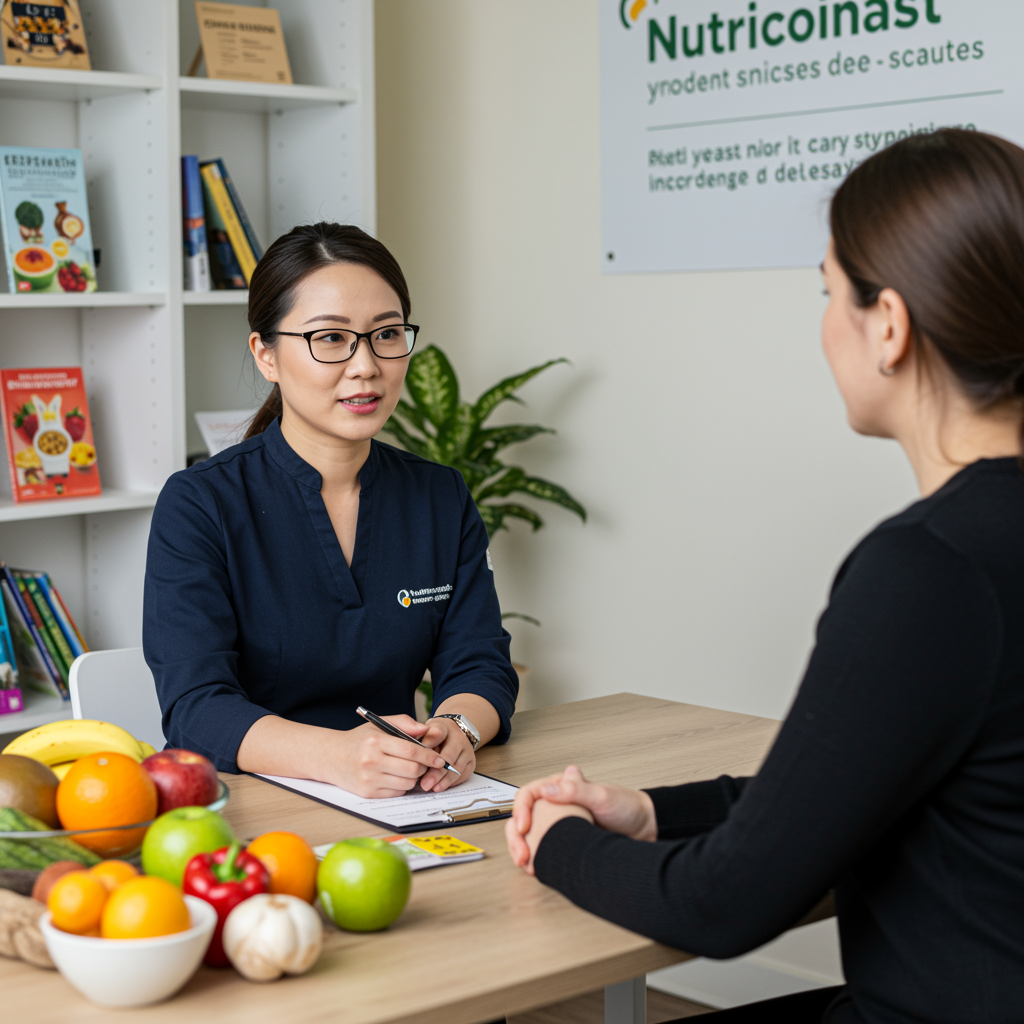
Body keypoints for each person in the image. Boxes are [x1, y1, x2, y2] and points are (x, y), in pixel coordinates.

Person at [505, 129, 1024, 1023]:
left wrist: (559, 843)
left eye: (829, 294)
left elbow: (725, 904)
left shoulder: (930, 572)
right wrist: (647, 810)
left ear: (890, 325)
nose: (824, 323)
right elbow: (852, 781)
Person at [144, 223, 517, 797]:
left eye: (386, 335)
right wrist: (339, 756)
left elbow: (480, 660)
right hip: (251, 810)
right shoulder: (200, 503)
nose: (366, 366)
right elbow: (196, 706)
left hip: (405, 798)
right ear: (265, 354)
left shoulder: (439, 495)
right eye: (331, 339)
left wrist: (455, 728)